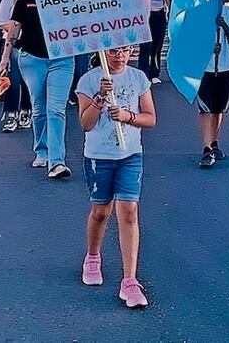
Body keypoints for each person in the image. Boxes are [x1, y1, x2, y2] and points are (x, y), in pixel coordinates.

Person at [76, 46, 156, 308]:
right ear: (103, 52)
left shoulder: (138, 78)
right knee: (101, 211)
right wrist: (99, 98)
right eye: (113, 51)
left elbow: (150, 118)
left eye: (125, 50)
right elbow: (86, 124)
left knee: (129, 211)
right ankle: (93, 257)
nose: (120, 56)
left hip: (130, 154)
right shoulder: (88, 80)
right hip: (99, 155)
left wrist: (127, 117)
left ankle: (130, 279)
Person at [1, 0, 75, 178]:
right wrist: (6, 56)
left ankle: (57, 161)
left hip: (62, 60)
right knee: (39, 107)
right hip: (32, 60)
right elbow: (14, 29)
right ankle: (41, 150)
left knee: (56, 110)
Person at [197, 0, 229, 168]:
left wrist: (224, 25)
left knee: (219, 108)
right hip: (204, 68)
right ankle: (206, 148)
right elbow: (193, 39)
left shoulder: (228, 12)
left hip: (224, 66)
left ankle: (214, 142)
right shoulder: (200, 12)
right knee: (206, 108)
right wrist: (208, 46)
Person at [0, 0, 34, 133]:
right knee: (13, 80)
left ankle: (26, 112)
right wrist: (16, 28)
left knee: (29, 81)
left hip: (33, 46)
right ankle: (11, 114)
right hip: (14, 46)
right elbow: (1, 21)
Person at [136, 0, 170, 85]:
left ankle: (154, 73)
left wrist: (170, 13)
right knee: (145, 46)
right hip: (146, 16)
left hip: (159, 16)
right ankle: (143, 73)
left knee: (157, 46)